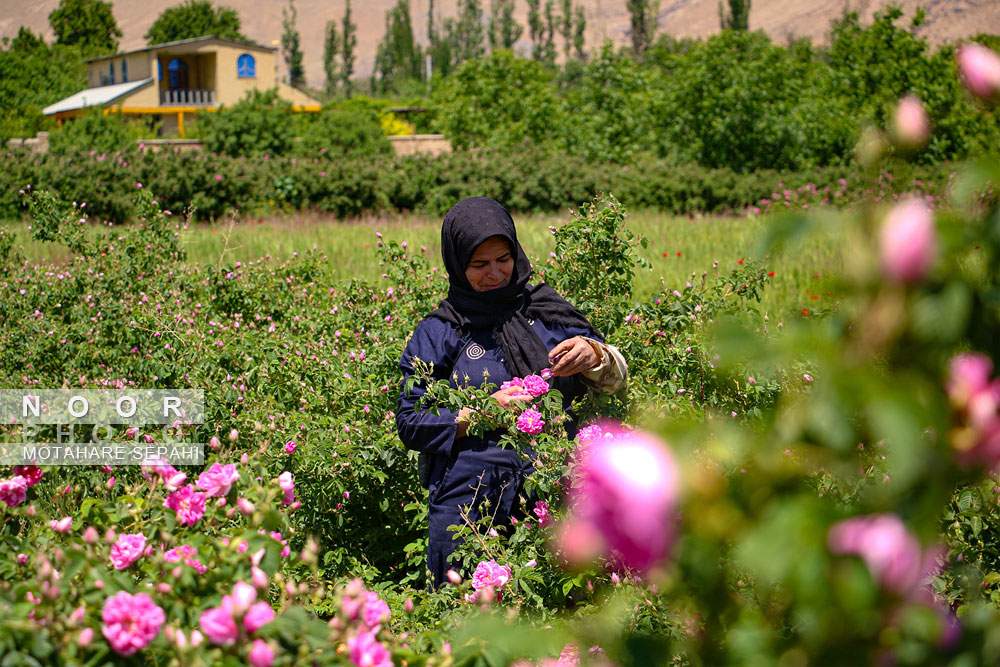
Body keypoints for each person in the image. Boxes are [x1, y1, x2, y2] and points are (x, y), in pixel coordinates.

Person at [395, 196, 627, 588]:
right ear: (457, 264)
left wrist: (595, 354)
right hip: (467, 506)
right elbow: (411, 423)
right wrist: (484, 412)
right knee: (465, 619)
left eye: (503, 258)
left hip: (552, 495)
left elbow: (616, 377)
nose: (495, 273)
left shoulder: (545, 311)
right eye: (479, 265)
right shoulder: (441, 331)